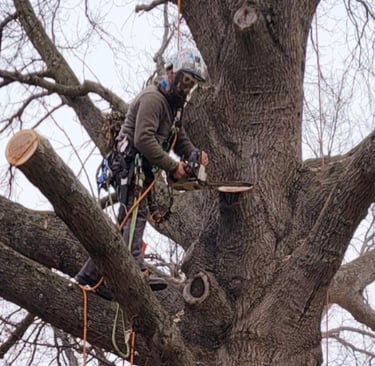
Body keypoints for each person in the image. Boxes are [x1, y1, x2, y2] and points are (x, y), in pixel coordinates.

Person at [75, 49, 209, 299]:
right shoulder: (154, 99)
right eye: (185, 80)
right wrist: (173, 166)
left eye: (192, 83)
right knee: (136, 215)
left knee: (124, 223)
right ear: (172, 72)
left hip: (142, 169)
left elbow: (178, 138)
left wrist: (192, 154)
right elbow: (143, 139)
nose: (187, 87)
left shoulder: (174, 107)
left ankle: (89, 276)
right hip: (129, 165)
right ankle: (132, 269)